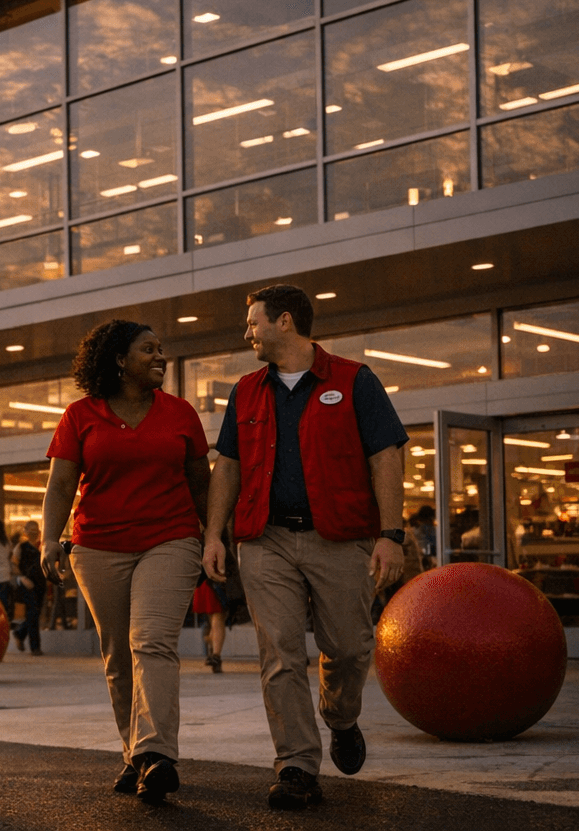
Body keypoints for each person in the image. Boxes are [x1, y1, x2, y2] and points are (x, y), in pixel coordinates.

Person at [202, 284, 406, 810]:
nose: (247, 332)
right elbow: (228, 466)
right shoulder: (246, 390)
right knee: (280, 652)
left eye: (254, 322)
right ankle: (295, 764)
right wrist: (213, 534)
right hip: (265, 539)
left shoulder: (355, 381)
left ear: (285, 321)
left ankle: (341, 716)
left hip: (340, 537)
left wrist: (391, 534)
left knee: (349, 646)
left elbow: (385, 456)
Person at [40, 319, 210, 804]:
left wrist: (218, 537)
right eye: (148, 350)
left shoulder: (180, 413)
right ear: (119, 359)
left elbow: (201, 483)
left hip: (171, 538)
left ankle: (156, 753)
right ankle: (134, 754)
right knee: (118, 656)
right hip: (98, 546)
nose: (160, 357)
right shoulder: (80, 415)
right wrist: (49, 539)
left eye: (161, 350)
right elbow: (61, 485)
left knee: (151, 641)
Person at [11, 521, 46, 655]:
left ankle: (19, 633)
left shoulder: (42, 547)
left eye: (35, 529)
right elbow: (13, 564)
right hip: (27, 584)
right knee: (32, 613)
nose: (33, 532)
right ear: (25, 531)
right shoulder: (21, 547)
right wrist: (22, 578)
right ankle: (35, 647)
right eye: (30, 529)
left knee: (35, 614)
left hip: (40, 584)